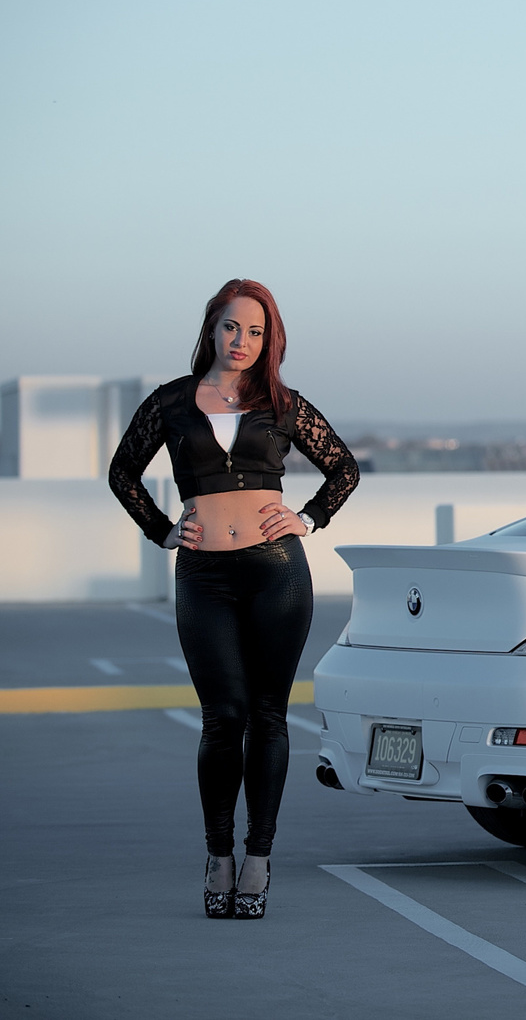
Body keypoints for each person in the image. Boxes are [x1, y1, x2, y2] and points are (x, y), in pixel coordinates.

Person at [108, 278, 359, 919]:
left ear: (268, 339)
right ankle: (219, 853)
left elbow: (345, 468)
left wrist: (307, 517)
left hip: (277, 573)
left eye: (256, 331)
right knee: (223, 717)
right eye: (231, 327)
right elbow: (122, 471)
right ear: (210, 330)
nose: (241, 341)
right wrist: (162, 529)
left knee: (269, 716)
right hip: (202, 576)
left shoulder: (282, 403)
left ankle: (258, 858)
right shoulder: (170, 401)